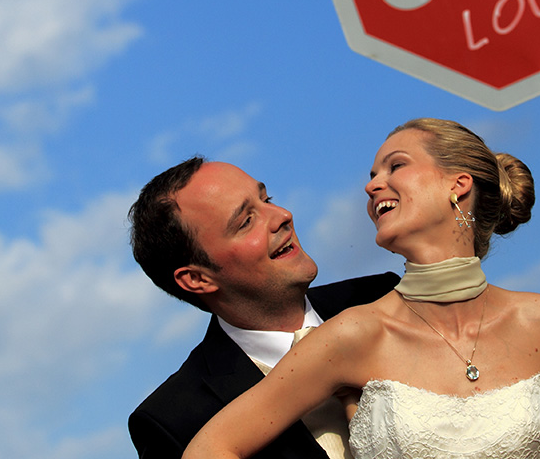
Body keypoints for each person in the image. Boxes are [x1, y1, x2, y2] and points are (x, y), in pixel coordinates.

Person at [183, 119, 540, 459]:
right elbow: (210, 449)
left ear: (458, 185)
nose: (371, 184)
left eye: (395, 165)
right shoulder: (352, 334)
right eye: (373, 173)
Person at [127, 156, 400, 459]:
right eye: (246, 221)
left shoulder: (385, 295)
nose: (283, 215)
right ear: (197, 279)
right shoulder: (173, 421)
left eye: (267, 199)